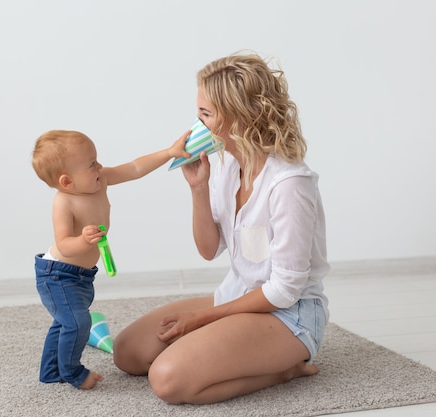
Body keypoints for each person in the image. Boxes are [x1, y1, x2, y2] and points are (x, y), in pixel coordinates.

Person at [113, 52, 330, 404]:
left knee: (167, 380)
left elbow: (284, 291)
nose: (196, 124)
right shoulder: (229, 164)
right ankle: (235, 350)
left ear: (238, 118)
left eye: (206, 114)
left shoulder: (290, 184)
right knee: (128, 352)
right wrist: (198, 189)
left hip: (290, 315)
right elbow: (209, 249)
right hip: (239, 297)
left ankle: (286, 369)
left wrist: (200, 319)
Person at [31, 129, 189, 390]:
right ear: (67, 181)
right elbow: (64, 245)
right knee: (78, 322)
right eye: (92, 163)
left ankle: (50, 371)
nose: (100, 166)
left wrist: (169, 152)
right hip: (57, 274)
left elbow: (135, 168)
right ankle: (73, 372)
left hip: (80, 275)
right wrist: (82, 239)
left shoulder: (100, 180)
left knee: (65, 322)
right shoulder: (64, 202)